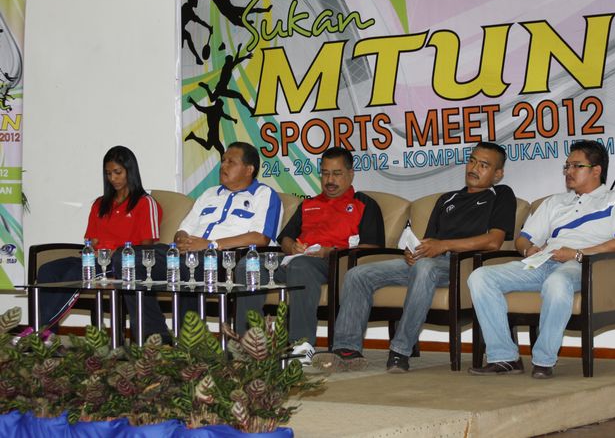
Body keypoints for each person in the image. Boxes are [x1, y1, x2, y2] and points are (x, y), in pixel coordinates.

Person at [313, 142, 516, 373]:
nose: (474, 168)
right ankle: (346, 350)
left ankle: (400, 350)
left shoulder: (501, 195)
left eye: (484, 165)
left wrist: (442, 246)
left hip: (463, 265)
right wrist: (415, 252)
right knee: (358, 274)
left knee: (425, 267)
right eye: (472, 161)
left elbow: (494, 241)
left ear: (497, 174)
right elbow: (429, 242)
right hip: (430, 262)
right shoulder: (447, 199)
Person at [468, 140, 615, 379]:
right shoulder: (555, 202)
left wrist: (576, 253)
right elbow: (523, 239)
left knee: (557, 282)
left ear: (596, 170)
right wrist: (529, 250)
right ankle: (504, 357)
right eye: (567, 166)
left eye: (576, 166)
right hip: (543, 261)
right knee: (480, 276)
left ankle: (544, 360)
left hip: (583, 264)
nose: (568, 171)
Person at [236, 147, 385, 356]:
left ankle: (300, 345)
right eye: (325, 173)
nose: (329, 180)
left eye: (337, 173)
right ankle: (249, 343)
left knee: (301, 266)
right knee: (248, 264)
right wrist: (292, 247)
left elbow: (373, 248)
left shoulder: (364, 204)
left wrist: (330, 251)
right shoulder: (309, 204)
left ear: (351, 174)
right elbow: (285, 238)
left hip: (334, 264)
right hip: (296, 259)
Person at [36, 146, 164, 338]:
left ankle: (41, 331)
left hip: (122, 264)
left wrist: (116, 253)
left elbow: (147, 247)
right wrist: (93, 250)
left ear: (130, 171)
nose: (113, 178)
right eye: (108, 173)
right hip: (95, 260)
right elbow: (92, 240)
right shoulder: (100, 203)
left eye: (118, 172)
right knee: (47, 270)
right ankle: (49, 335)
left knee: (74, 274)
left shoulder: (145, 203)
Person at [172, 141, 282, 322]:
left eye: (231, 162)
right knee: (134, 261)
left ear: (249, 170)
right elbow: (183, 229)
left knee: (187, 266)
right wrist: (182, 240)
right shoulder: (209, 194)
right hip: (189, 252)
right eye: (223, 160)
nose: (223, 166)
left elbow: (260, 237)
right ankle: (153, 331)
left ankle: (189, 335)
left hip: (226, 258)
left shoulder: (264, 195)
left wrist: (210, 245)